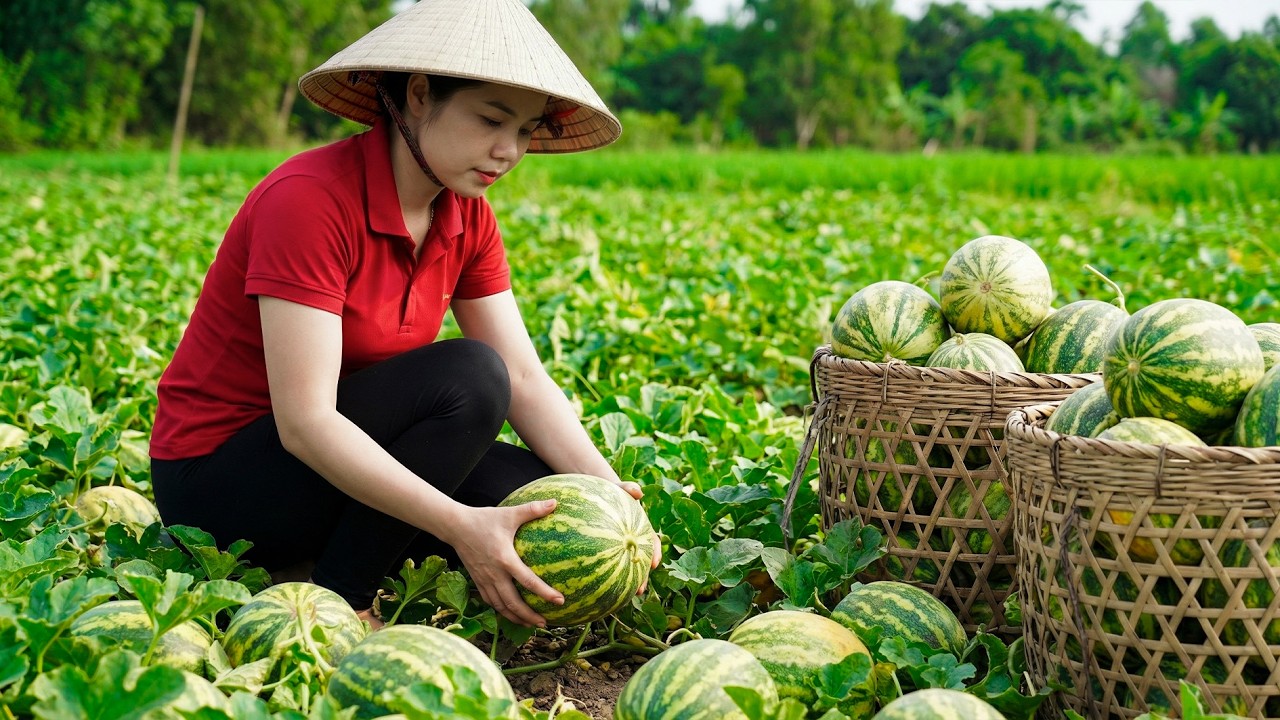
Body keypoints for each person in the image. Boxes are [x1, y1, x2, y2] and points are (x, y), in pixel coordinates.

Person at [149, 0, 658, 630]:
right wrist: (459, 524)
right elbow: (305, 422)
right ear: (419, 95)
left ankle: (323, 558)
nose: (508, 151)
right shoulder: (308, 200)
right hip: (223, 488)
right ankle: (341, 600)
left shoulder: (467, 214)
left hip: (330, 464)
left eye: (526, 131)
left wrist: (612, 499)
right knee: (471, 376)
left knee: (536, 497)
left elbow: (526, 378)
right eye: (490, 120)